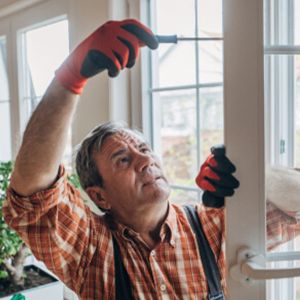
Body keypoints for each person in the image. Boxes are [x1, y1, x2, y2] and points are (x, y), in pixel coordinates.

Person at [2, 19, 299, 299]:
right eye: (122, 160)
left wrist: (250, 174)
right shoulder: (91, 248)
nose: (145, 162)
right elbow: (34, 195)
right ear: (99, 196)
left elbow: (295, 211)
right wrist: (70, 77)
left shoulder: (211, 228)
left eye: (144, 150)